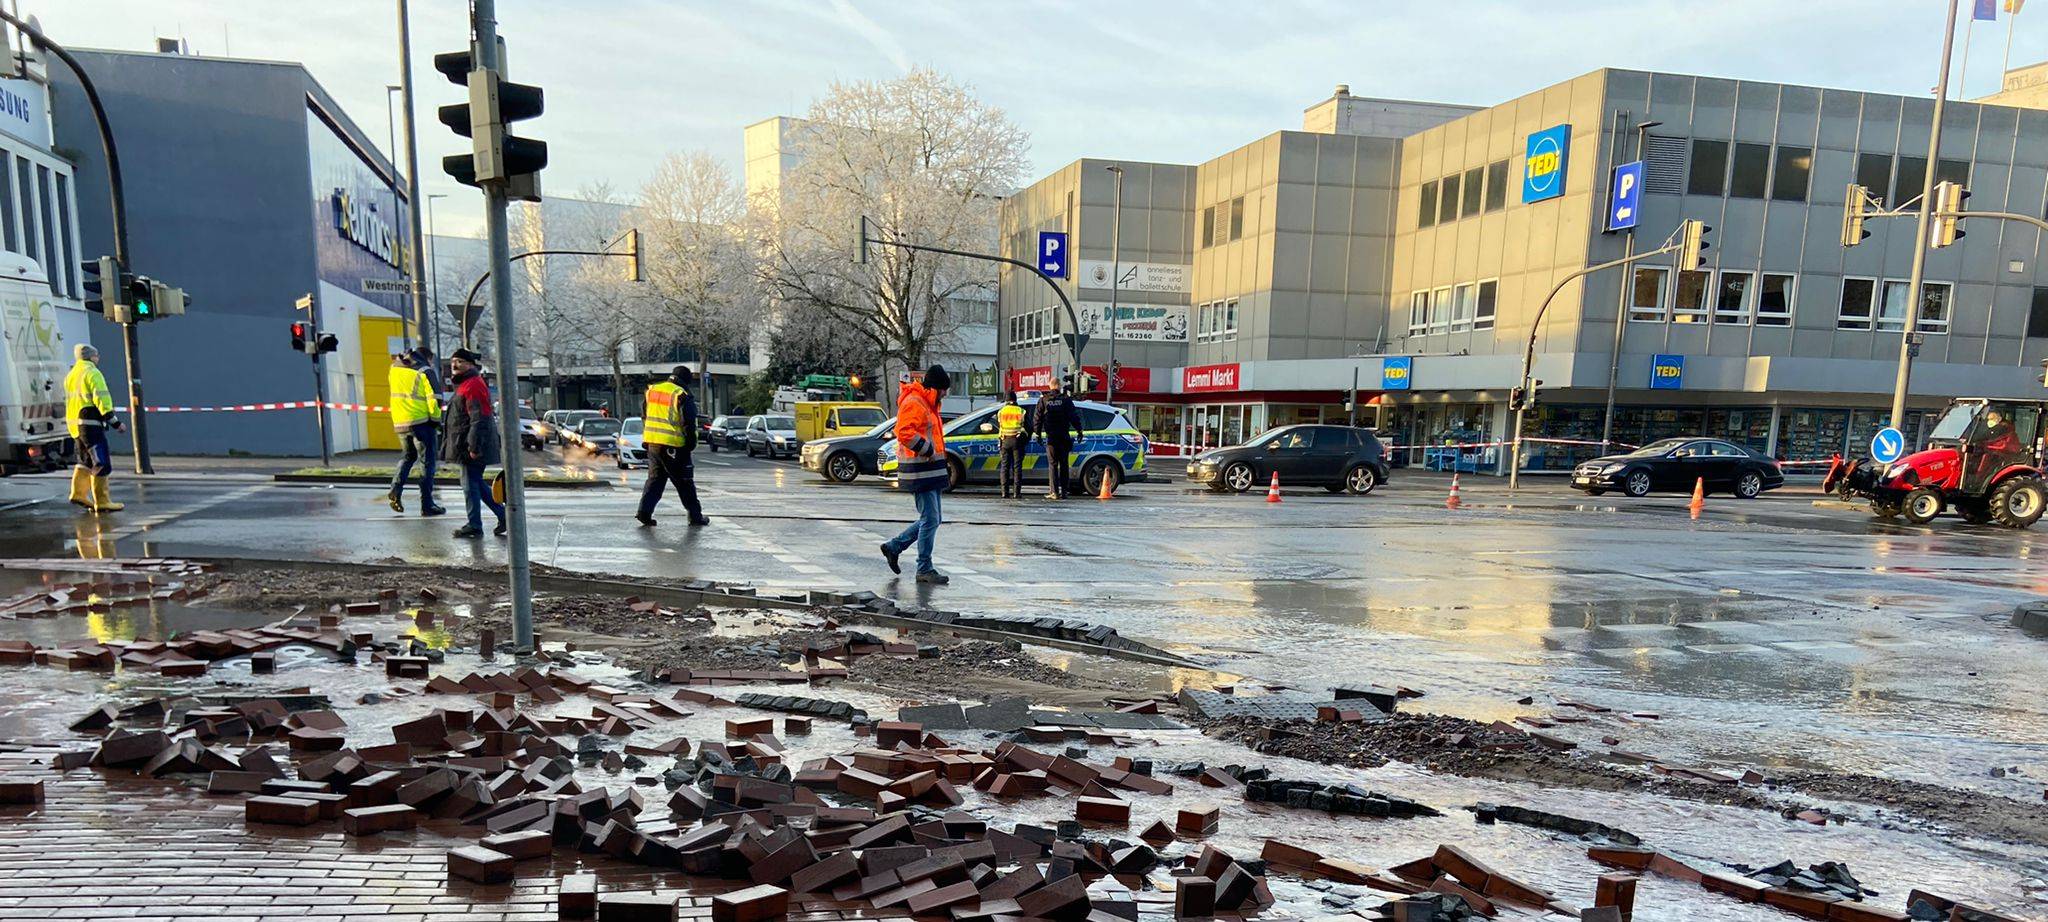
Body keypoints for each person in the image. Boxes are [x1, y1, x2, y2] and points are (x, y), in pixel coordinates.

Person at [881, 365, 950, 584]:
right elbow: (903, 432)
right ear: (936, 388)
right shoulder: (916, 402)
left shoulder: (927, 403)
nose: (946, 394)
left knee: (933, 519)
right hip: (920, 470)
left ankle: (895, 546)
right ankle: (924, 568)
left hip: (930, 469)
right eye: (944, 389)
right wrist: (927, 450)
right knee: (930, 519)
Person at [440, 348, 505, 538]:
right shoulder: (466, 384)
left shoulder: (472, 385)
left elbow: (479, 418)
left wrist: (474, 446)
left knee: (470, 485)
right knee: (475, 483)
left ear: (470, 365)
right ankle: (501, 515)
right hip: (466, 445)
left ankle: (475, 524)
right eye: (453, 361)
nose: (455, 364)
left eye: (460, 361)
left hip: (471, 446)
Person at [636, 366, 710, 528]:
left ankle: (644, 512)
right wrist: (690, 444)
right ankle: (695, 516)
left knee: (655, 480)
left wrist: (650, 436)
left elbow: (644, 416)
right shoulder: (681, 394)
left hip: (653, 444)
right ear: (686, 381)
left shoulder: (652, 390)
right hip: (674, 445)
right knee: (685, 481)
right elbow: (689, 423)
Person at [385, 350, 445, 516]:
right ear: (428, 358)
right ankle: (427, 504)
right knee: (427, 463)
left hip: (400, 422)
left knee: (408, 457)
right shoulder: (425, 371)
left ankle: (395, 489)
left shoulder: (395, 369)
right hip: (422, 423)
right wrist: (436, 420)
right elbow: (435, 398)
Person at [63, 343, 121, 513]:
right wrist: (114, 421)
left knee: (85, 461)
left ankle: (78, 493)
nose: (98, 358)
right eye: (97, 355)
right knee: (101, 461)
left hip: (75, 426)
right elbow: (101, 398)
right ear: (90, 356)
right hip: (90, 424)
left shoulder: (71, 375)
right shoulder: (92, 372)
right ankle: (102, 501)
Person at [1031, 378, 1087, 499]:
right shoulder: (1066, 400)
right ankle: (1064, 492)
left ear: (1050, 386)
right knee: (1064, 464)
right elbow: (1074, 416)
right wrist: (1079, 430)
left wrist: (1038, 434)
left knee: (1053, 465)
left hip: (1051, 438)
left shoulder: (1044, 400)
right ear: (1059, 386)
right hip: (1064, 436)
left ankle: (1054, 492)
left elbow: (1037, 418)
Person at [997, 391, 1029, 498]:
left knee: (1005, 467)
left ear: (1006, 400)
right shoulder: (1021, 411)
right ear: (1015, 399)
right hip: (1017, 440)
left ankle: (1004, 492)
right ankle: (1017, 493)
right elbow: (1027, 427)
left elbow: (1000, 425)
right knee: (1017, 467)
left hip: (1005, 440)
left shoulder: (1001, 412)